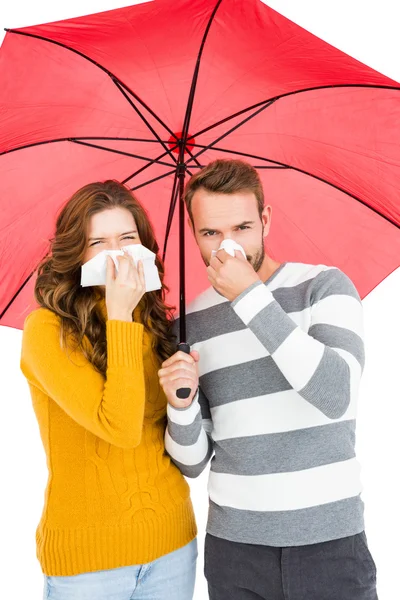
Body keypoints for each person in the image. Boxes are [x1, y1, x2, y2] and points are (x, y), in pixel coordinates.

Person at [159, 159, 378, 600]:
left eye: (241, 228)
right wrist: (180, 404)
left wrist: (249, 297)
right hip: (236, 552)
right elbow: (192, 462)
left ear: (265, 220)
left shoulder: (324, 287)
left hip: (330, 548)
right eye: (211, 233)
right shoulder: (188, 324)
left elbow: (335, 394)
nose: (228, 246)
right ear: (194, 232)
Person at [20, 180, 197, 600]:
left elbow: (162, 430)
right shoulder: (47, 331)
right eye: (98, 241)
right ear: (76, 252)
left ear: (146, 247)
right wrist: (119, 314)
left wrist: (182, 396)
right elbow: (117, 427)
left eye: (128, 238)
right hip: (89, 563)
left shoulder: (155, 323)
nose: (116, 253)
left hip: (172, 544)